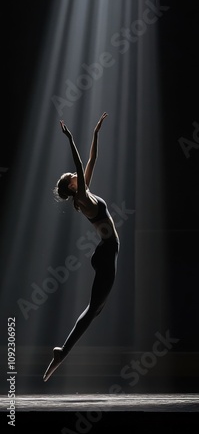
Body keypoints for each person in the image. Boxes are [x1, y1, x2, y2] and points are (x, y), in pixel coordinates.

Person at [43, 112, 120, 382]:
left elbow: (91, 160)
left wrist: (96, 133)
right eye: (71, 175)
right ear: (73, 185)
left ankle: (62, 352)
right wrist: (70, 139)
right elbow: (80, 162)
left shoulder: (83, 195)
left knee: (95, 310)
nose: (74, 173)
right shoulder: (83, 198)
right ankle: (61, 353)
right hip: (107, 251)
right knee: (92, 311)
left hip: (105, 251)